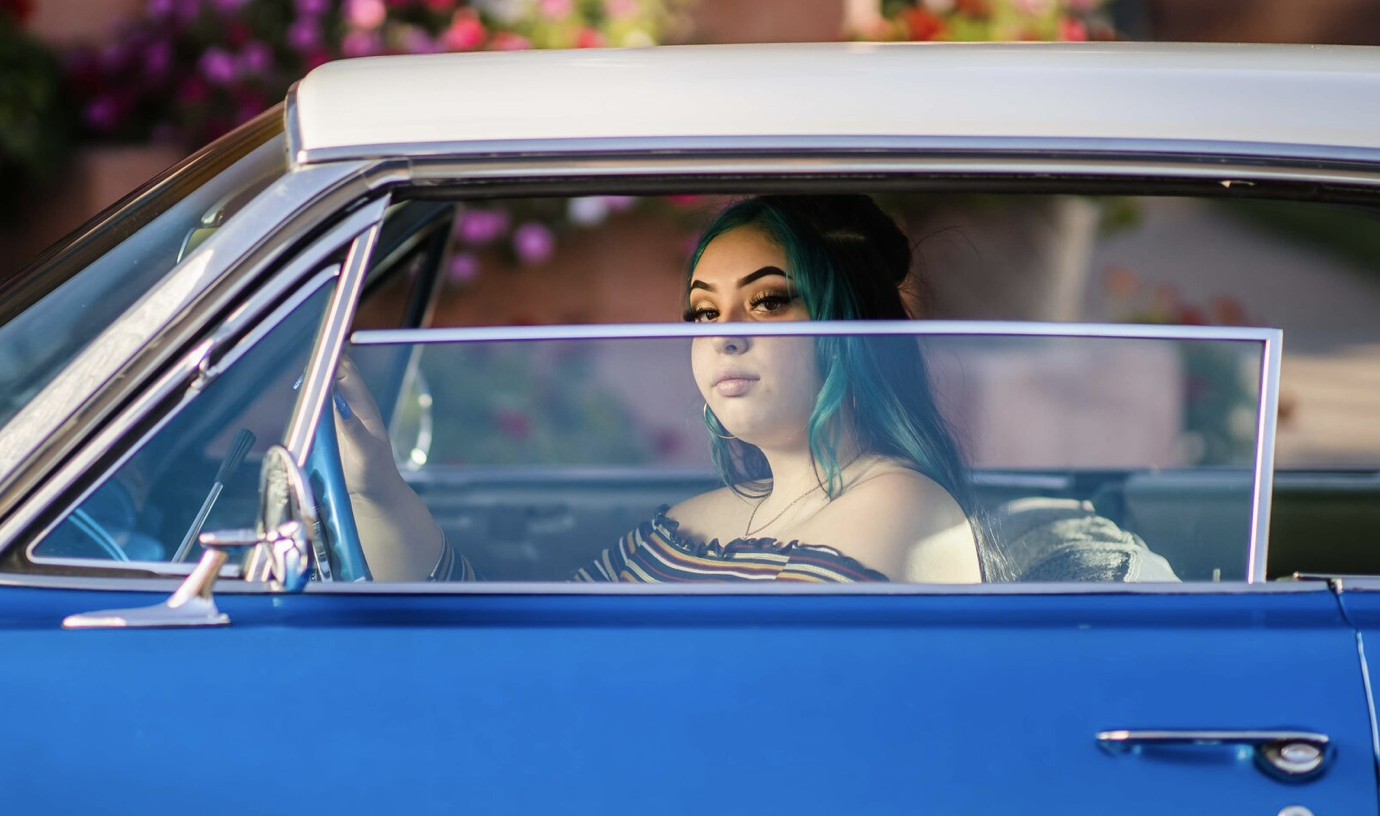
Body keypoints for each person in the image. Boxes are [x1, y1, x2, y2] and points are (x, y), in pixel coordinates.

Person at [335, 194, 992, 584]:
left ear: (850, 329)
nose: (723, 337)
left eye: (767, 302)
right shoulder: (694, 518)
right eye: (704, 313)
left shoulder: (901, 503)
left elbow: (740, 708)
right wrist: (375, 487)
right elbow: (538, 655)